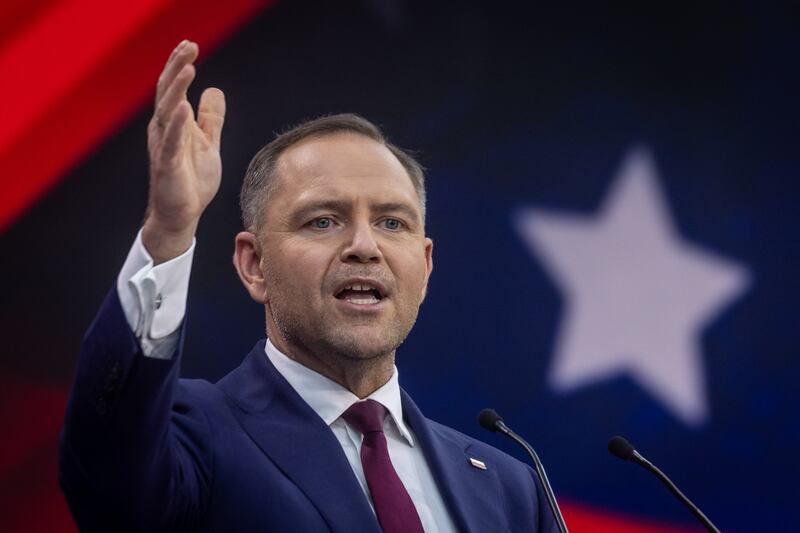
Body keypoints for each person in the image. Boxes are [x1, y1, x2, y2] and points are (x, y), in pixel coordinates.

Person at [59, 39, 558, 532]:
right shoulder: (193, 433)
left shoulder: (510, 486)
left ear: (425, 267)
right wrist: (169, 230)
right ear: (253, 264)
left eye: (392, 223)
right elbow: (108, 472)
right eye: (323, 221)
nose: (365, 245)